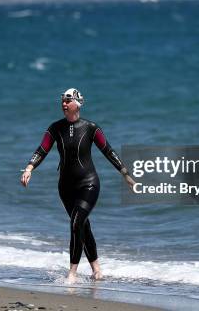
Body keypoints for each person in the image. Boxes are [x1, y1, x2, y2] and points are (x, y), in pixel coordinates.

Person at [20, 88, 135, 282]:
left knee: (76, 222)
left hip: (88, 184)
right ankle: (97, 269)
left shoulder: (91, 128)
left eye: (67, 100)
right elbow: (42, 149)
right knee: (82, 225)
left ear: (78, 103)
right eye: (62, 101)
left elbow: (108, 150)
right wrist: (29, 167)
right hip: (65, 188)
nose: (63, 104)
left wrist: (126, 174)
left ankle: (72, 273)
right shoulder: (55, 128)